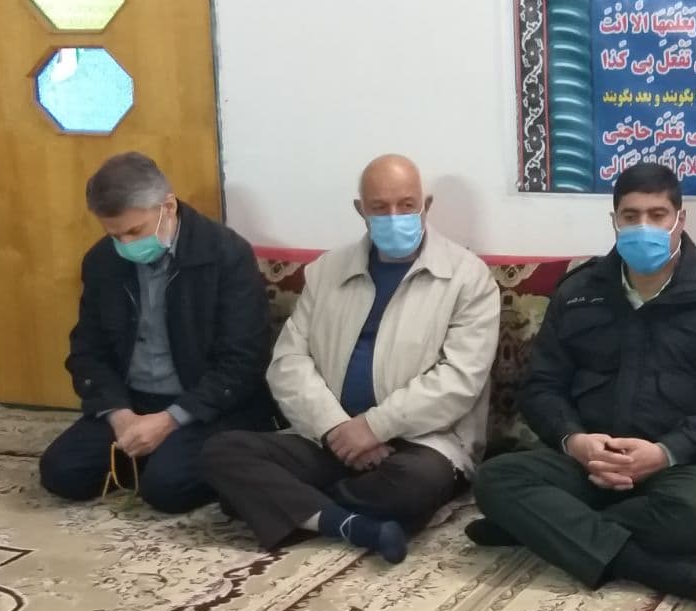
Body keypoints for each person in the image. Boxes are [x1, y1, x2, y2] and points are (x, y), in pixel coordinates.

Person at [468, 162, 696, 609]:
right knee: (495, 479)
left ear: (680, 219)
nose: (643, 227)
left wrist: (666, 451)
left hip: (673, 466)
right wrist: (575, 441)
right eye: (631, 216)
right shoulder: (578, 292)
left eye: (657, 215)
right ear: (614, 220)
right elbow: (541, 387)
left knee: (694, 518)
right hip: (583, 460)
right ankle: (639, 563)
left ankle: (541, 526)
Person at [197, 154, 500, 562]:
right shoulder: (327, 271)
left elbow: (458, 380)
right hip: (330, 437)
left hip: (420, 444)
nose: (394, 216)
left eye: (407, 205)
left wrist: (375, 426)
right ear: (361, 210)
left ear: (426, 205)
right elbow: (288, 362)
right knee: (222, 451)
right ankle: (349, 523)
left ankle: (285, 504)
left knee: (412, 488)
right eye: (380, 207)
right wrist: (336, 427)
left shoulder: (468, 277)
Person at [39, 152, 273, 513]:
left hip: (208, 405)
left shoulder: (226, 255)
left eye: (135, 231)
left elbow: (243, 361)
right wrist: (120, 416)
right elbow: (87, 350)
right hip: (133, 402)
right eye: (115, 234)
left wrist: (169, 421)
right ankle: (150, 452)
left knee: (167, 489)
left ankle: (165, 458)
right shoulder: (102, 261)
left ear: (168, 206)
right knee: (61, 472)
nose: (126, 244)